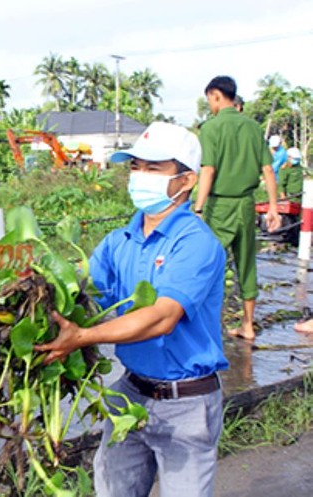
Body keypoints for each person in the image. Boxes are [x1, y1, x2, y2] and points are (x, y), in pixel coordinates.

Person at [35, 121, 229, 497]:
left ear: (186, 181)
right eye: (135, 167)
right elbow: (83, 290)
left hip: (186, 403)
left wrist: (84, 337)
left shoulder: (196, 243)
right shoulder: (118, 240)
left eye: (153, 168)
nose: (140, 176)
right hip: (128, 393)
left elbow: (162, 316)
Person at [195, 76, 282, 341]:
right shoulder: (254, 128)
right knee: (246, 264)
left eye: (210, 99)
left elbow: (208, 170)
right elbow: (268, 170)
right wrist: (274, 208)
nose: (210, 104)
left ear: (215, 95)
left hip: (219, 205)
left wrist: (198, 209)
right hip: (247, 204)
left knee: (208, 265)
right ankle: (248, 325)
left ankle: (207, 326)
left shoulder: (211, 128)